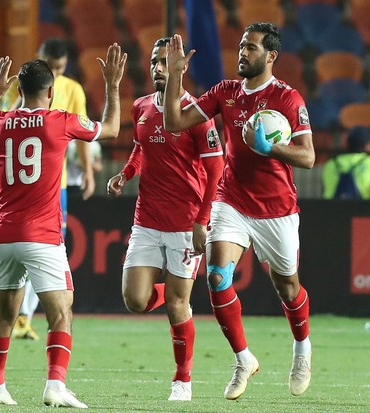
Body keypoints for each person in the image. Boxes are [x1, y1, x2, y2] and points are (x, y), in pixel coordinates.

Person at [0, 44, 127, 407]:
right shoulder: (60, 120)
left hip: (3, 235)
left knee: (4, 313)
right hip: (43, 236)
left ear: (17, 90)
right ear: (51, 92)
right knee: (62, 310)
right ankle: (54, 385)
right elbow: (112, 128)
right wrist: (112, 85)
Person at [163, 23, 314, 400]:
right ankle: (243, 358)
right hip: (231, 201)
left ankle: (302, 349)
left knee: (288, 286)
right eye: (241, 46)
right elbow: (173, 122)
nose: (242, 53)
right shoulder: (225, 92)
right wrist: (175, 77)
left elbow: (308, 157)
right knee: (216, 276)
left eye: (251, 47)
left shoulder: (288, 98)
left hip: (277, 208)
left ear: (271, 56)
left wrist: (270, 148)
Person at [106, 37, 224, 402]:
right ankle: (178, 293)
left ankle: (182, 380)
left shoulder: (196, 115)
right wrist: (125, 174)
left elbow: (216, 170)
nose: (158, 68)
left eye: (165, 62)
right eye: (155, 62)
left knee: (176, 307)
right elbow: (142, 146)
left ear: (181, 67)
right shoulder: (141, 106)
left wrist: (202, 220)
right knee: (134, 300)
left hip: (186, 224)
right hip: (146, 219)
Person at [0, 38, 95, 341]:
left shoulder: (73, 89)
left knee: (35, 249)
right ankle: (25, 316)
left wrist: (88, 172)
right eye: (51, 66)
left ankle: (25, 315)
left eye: (60, 67)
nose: (56, 70)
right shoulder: (23, 85)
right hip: (24, 187)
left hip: (57, 184)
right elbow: (7, 117)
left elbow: (80, 140)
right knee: (42, 249)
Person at [321, 126, 370, 199]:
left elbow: (324, 189)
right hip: (362, 208)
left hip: (329, 207)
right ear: (365, 145)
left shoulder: (331, 163)